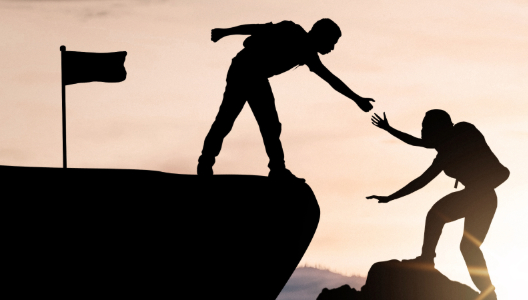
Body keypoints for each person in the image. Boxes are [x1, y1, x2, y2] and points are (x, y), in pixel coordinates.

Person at [198, 18, 375, 178]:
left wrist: (357, 98)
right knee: (227, 119)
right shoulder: (291, 30)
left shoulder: (308, 55)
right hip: (244, 69)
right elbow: (256, 28)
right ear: (321, 35)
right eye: (332, 42)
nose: (332, 48)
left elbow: (331, 79)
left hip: (256, 76)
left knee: (270, 125)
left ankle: (277, 169)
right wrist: (225, 32)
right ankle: (206, 163)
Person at [367, 110, 508, 299]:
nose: (423, 131)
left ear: (440, 129)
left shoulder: (462, 132)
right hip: (479, 197)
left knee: (463, 242)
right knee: (445, 224)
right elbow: (421, 156)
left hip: (482, 197)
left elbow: (422, 171)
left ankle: (486, 291)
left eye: (426, 127)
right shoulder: (445, 152)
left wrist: (390, 197)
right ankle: (431, 261)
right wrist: (389, 129)